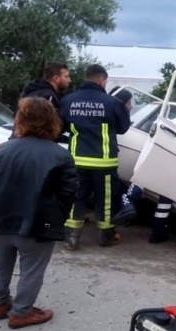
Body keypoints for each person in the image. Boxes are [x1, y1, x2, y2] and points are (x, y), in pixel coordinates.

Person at [0, 97, 79, 329]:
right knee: (32, 270)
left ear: (20, 120)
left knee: (1, 262)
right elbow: (69, 192)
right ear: (52, 121)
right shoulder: (60, 155)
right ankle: (21, 312)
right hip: (38, 223)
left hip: (1, 219)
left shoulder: (1, 150)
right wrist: (58, 217)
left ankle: (0, 303)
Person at [60, 64, 132, 250]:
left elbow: (62, 127)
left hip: (77, 160)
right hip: (104, 161)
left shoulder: (68, 100)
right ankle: (106, 236)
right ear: (101, 80)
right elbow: (123, 128)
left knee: (77, 196)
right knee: (105, 199)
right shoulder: (112, 103)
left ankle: (71, 237)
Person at [112, 114, 176, 243]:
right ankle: (157, 233)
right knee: (164, 202)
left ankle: (127, 203)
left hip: (157, 158)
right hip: (174, 170)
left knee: (141, 180)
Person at [9, 61, 71, 140]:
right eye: (66, 76)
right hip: (35, 144)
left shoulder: (30, 91)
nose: (69, 80)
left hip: (19, 140)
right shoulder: (48, 97)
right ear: (56, 78)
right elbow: (48, 125)